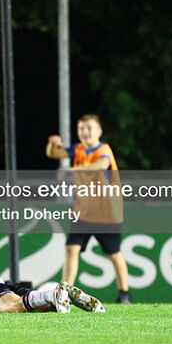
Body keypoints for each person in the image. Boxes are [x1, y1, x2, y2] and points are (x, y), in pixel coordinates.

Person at [46, 114, 130, 304]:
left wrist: (70, 171)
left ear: (99, 131)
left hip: (106, 212)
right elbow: (54, 154)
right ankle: (64, 293)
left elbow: (101, 165)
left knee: (114, 253)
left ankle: (124, 293)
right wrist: (52, 143)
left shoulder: (103, 149)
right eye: (81, 128)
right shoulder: (78, 149)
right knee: (71, 248)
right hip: (83, 211)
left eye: (89, 128)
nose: (84, 132)